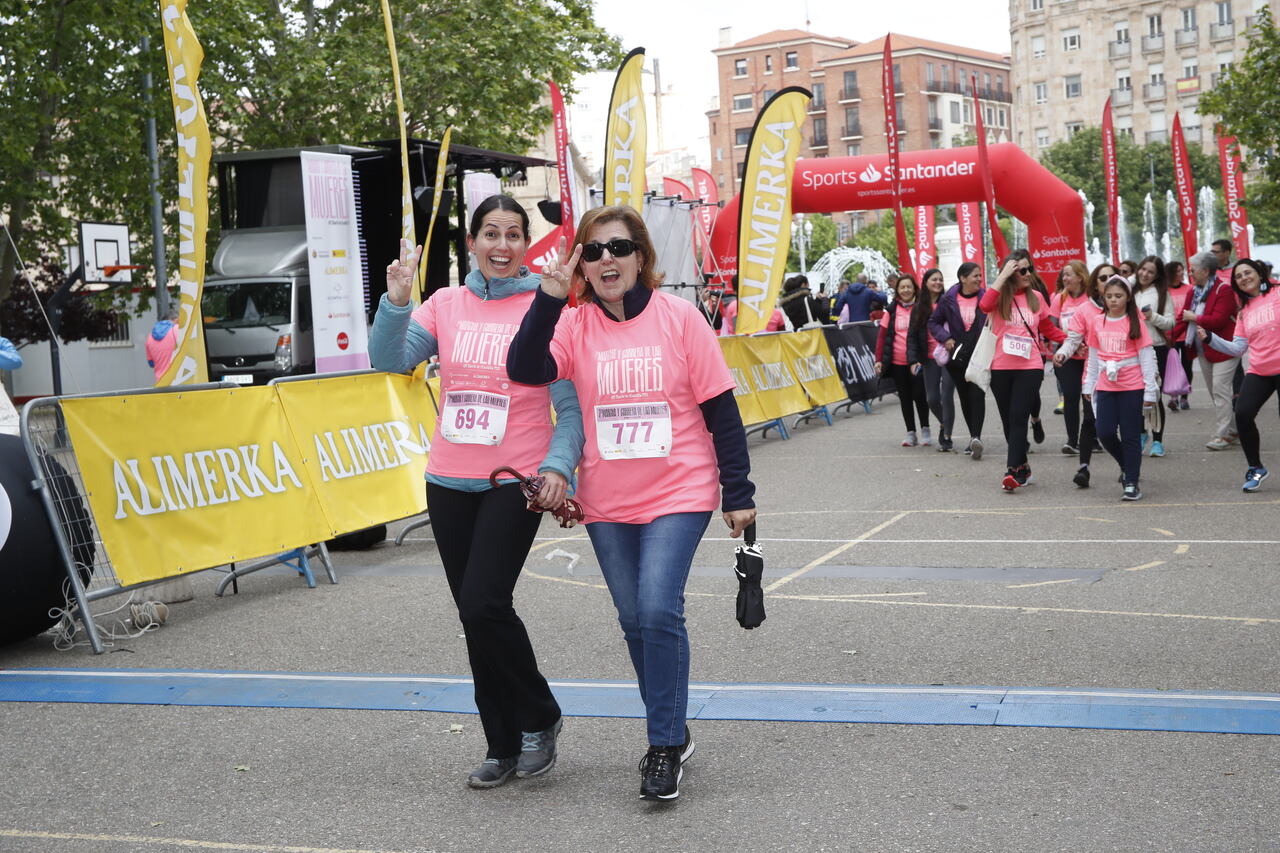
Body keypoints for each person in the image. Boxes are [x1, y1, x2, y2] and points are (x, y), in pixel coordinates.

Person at [506, 204, 756, 803]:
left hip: (681, 487)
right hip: (608, 498)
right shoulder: (574, 324)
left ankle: (663, 745)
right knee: (632, 620)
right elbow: (523, 367)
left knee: (656, 608)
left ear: (641, 257)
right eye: (592, 252)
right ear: (582, 268)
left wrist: (738, 494)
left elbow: (722, 412)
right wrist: (547, 297)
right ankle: (674, 724)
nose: (606, 260)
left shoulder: (680, 318)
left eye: (618, 248)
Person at [368, 195, 584, 790]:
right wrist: (396, 299)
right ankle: (501, 744)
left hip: (513, 484)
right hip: (448, 483)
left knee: (484, 602)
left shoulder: (549, 309)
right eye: (491, 233)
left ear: (526, 246)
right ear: (472, 242)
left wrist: (560, 467)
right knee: (475, 616)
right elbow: (389, 361)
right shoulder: (445, 305)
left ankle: (541, 715)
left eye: (514, 235)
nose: (503, 245)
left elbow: (568, 410)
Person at [979, 253, 1066, 491]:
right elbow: (984, 305)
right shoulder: (998, 298)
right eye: (1023, 271)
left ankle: (1012, 471)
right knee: (1009, 421)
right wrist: (1003, 275)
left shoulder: (1036, 297)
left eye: (1030, 269)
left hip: (1030, 367)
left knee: (1018, 416)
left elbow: (1048, 328)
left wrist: (1072, 341)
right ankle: (1023, 466)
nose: (1029, 275)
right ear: (1010, 273)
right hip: (1000, 367)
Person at [1200, 259, 1279, 492]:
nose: (1244, 278)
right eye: (1238, 276)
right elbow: (1237, 348)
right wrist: (1209, 338)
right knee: (1243, 414)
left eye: (1248, 272)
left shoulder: (1277, 293)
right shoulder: (1244, 312)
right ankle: (1256, 468)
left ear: (1259, 274)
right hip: (1260, 371)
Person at [1081, 275, 1160, 501]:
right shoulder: (1098, 322)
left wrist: (1149, 390)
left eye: (1118, 296)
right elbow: (1094, 357)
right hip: (1106, 386)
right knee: (1104, 432)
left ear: (1127, 297)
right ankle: (1127, 464)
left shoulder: (1135, 321)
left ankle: (1132, 482)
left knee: (1130, 436)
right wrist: (1089, 384)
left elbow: (1145, 356)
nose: (1113, 300)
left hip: (1132, 386)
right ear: (1103, 298)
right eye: (1109, 296)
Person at [1053, 262, 1115, 488]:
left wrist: (1151, 375)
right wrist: (1062, 353)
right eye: (1103, 278)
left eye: (1112, 276)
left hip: (1123, 373)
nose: (1108, 281)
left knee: (1120, 422)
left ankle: (1128, 466)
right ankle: (1083, 467)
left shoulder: (1128, 309)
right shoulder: (1083, 309)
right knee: (1088, 416)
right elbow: (1071, 338)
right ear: (1095, 283)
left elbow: (1141, 343)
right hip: (1090, 369)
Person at [929, 261, 987, 459]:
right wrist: (945, 338)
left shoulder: (986, 297)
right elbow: (933, 322)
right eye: (975, 276)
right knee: (965, 396)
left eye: (980, 275)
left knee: (977, 394)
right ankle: (973, 437)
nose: (979, 279)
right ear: (963, 278)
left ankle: (976, 437)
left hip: (979, 354)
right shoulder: (948, 299)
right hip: (958, 357)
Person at [1183, 251, 1240, 450]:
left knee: (1220, 390)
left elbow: (1218, 320)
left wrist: (1194, 317)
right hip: (1203, 350)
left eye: (1193, 270)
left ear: (1206, 271)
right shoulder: (1193, 291)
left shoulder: (1223, 290)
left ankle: (1222, 435)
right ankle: (1233, 430)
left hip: (1225, 347)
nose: (1190, 273)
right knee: (1216, 393)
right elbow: (1182, 318)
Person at [876, 274, 931, 446]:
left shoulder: (922, 308)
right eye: (902, 287)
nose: (906, 290)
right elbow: (882, 337)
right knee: (905, 398)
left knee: (920, 396)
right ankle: (910, 433)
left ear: (915, 289)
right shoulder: (891, 310)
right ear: (897, 291)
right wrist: (879, 359)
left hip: (917, 361)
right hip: (897, 361)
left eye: (909, 287)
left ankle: (925, 430)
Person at [907, 268, 955, 451]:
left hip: (948, 356)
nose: (937, 282)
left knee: (947, 395)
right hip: (929, 358)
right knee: (932, 399)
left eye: (940, 279)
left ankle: (947, 435)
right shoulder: (919, 307)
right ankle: (944, 423)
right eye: (933, 279)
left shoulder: (948, 303)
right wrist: (913, 360)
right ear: (926, 283)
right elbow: (911, 335)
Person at [1132, 255, 1175, 456]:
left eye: (1151, 272)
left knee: (1153, 395)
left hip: (1155, 348)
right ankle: (1141, 433)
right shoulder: (1129, 289)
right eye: (1143, 269)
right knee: (1135, 395)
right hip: (1131, 349)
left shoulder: (1162, 293)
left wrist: (1152, 317)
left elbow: (1171, 323)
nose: (1145, 274)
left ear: (1157, 276)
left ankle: (1158, 441)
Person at [1165, 260, 1194, 411]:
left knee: (1187, 366)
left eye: (1182, 270)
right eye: (1177, 271)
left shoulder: (1189, 289)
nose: (1181, 274)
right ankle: (1173, 397)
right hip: (1171, 335)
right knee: (1173, 366)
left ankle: (1184, 397)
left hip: (1188, 333)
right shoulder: (1164, 291)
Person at [145, 306, 180, 382]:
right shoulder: (177, 329)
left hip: (160, 383)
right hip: (178, 381)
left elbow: (151, 363)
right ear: (177, 320)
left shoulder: (150, 337)